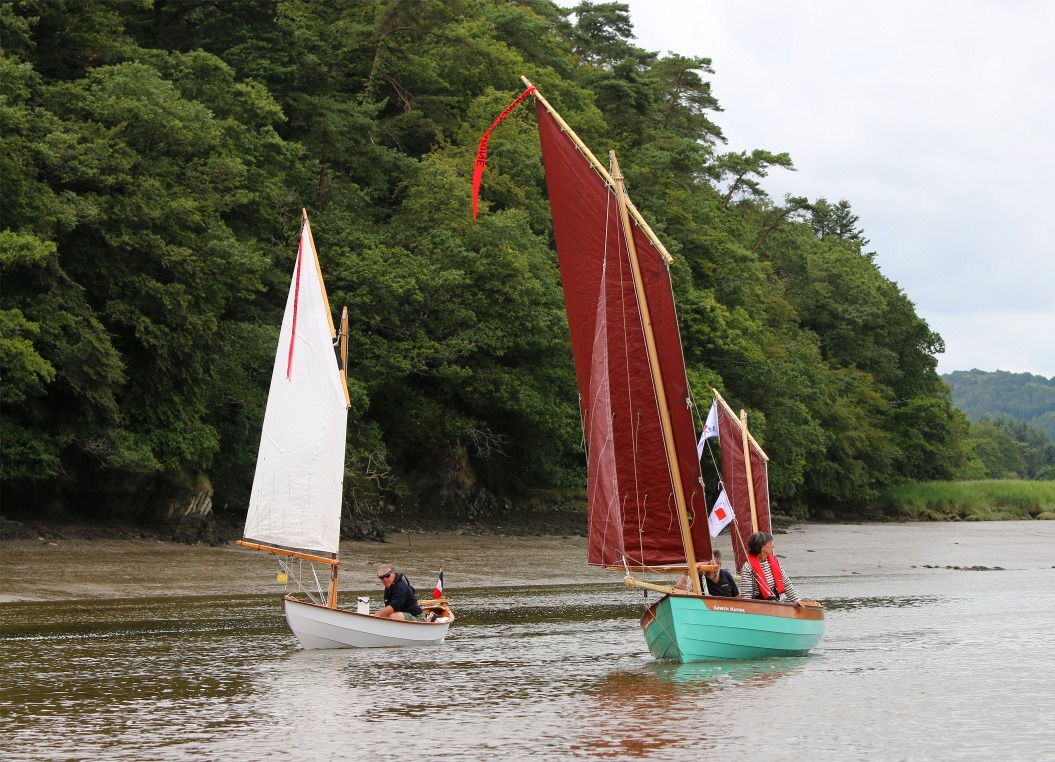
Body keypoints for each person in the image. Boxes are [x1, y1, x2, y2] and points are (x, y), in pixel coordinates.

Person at [739, 531, 804, 608]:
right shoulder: (748, 567)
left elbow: (785, 583)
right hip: (758, 607)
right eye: (770, 543)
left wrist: (796, 599)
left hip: (774, 604)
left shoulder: (774, 562)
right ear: (762, 547)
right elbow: (747, 595)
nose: (773, 546)